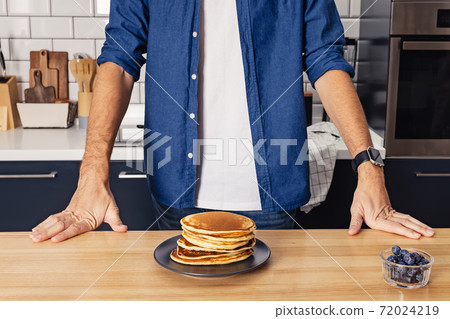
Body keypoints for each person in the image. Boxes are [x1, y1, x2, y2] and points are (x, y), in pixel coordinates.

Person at [30, 0, 434, 243]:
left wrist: (369, 168)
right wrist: (91, 172)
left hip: (273, 194)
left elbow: (325, 59)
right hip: (175, 193)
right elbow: (118, 59)